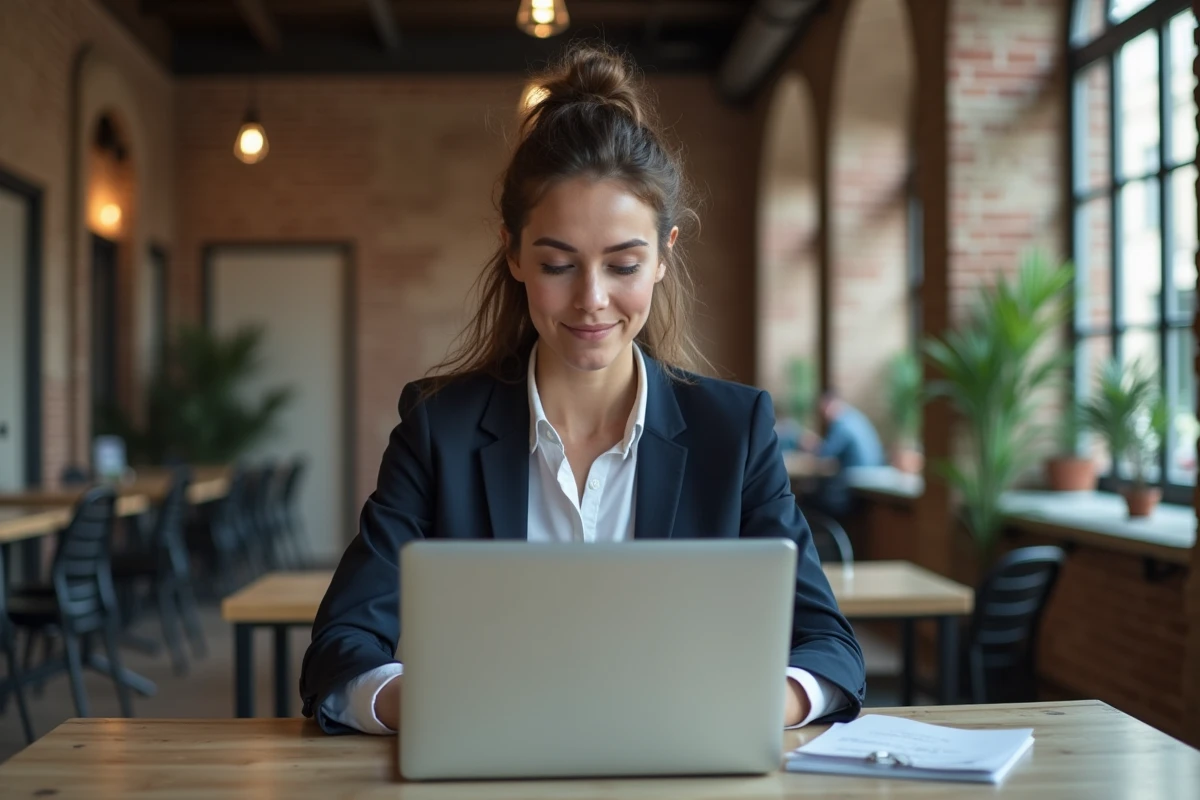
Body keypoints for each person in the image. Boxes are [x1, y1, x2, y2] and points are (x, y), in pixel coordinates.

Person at [299, 44, 865, 736]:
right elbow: (338, 650)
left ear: (664, 255)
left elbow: (831, 650)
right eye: (558, 264)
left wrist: (757, 705)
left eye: (623, 264)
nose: (592, 300)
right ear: (513, 254)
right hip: (491, 771)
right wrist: (422, 705)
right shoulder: (436, 428)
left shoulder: (733, 431)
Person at [801, 390, 885, 517]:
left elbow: (824, 453)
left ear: (829, 405)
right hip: (865, 485)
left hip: (852, 488)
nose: (823, 415)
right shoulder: (855, 417)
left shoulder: (842, 424)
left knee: (804, 496)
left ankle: (813, 535)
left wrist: (811, 444)